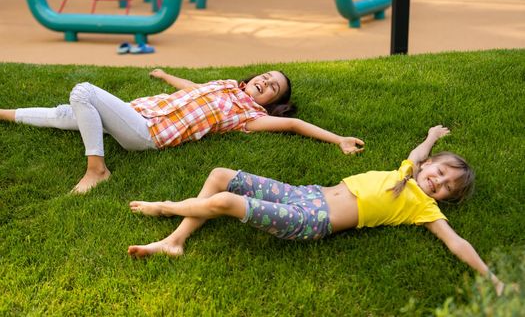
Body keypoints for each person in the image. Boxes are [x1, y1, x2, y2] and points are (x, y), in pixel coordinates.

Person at [127, 125, 505, 295]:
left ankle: (167, 209)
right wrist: (432, 137)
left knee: (225, 202)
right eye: (439, 172)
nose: (438, 182)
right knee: (221, 174)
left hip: (313, 220)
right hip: (304, 194)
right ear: (427, 166)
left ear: (443, 199)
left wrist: (491, 277)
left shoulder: (422, 208)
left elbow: (457, 243)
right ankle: (174, 241)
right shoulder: (407, 171)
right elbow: (419, 154)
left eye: (446, 188)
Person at [0, 69, 364, 193]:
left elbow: (295, 124)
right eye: (265, 77)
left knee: (83, 92)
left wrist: (339, 139)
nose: (265, 83)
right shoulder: (226, 87)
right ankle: (4, 113)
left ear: (271, 102)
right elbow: (192, 89)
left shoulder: (247, 115)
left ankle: (97, 170)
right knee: (71, 113)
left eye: (273, 88)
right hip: (136, 112)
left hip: (147, 132)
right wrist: (164, 76)